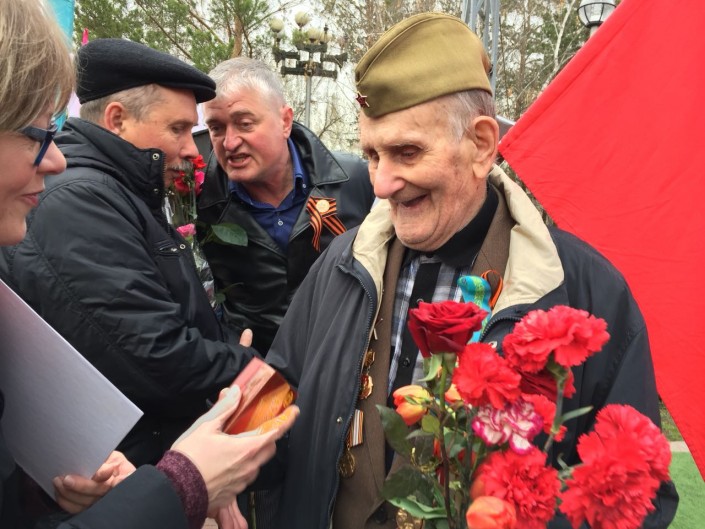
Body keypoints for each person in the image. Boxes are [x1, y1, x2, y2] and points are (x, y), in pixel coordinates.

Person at [261, 12, 679, 529]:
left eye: (406, 152)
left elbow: (639, 500)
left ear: (481, 144)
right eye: (372, 154)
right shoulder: (339, 264)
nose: (382, 183)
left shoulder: (588, 291)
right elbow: (279, 409)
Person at [0, 1, 298, 528]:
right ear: (118, 119)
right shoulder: (80, 201)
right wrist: (263, 381)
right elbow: (151, 352)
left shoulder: (120, 192)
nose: (193, 148)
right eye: (180, 129)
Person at [197, 57, 374, 355]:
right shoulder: (200, 203)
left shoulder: (355, 180)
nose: (229, 142)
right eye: (216, 128)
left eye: (245, 124)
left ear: (285, 121)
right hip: (254, 366)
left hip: (342, 358)